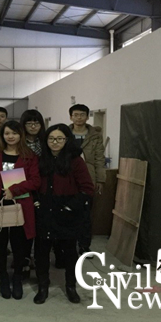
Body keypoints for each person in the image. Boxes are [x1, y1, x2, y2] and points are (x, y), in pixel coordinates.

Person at [33, 124, 94, 305]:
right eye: (51, 138)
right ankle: (43, 286)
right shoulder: (41, 159)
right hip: (44, 209)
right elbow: (33, 183)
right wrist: (36, 202)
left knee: (69, 252)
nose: (55, 142)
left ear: (67, 140)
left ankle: (71, 286)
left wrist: (69, 207)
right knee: (41, 250)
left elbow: (87, 188)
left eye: (60, 138)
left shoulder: (75, 161)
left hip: (68, 210)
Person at [0, 120, 40, 300]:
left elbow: (35, 181)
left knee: (19, 244)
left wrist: (14, 189)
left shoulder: (30, 156)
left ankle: (17, 276)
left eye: (14, 133)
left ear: (21, 135)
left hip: (21, 204)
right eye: (7, 133)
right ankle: (3, 277)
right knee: (0, 243)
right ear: (2, 135)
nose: (10, 136)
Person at [68, 104, 106, 256]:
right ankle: (66, 244)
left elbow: (99, 159)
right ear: (71, 117)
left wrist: (100, 180)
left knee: (85, 213)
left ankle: (84, 245)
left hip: (88, 178)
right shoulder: (65, 133)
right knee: (67, 211)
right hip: (67, 176)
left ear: (87, 116)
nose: (79, 118)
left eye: (82, 115)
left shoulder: (95, 135)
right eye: (76, 115)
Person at [19, 109, 47, 269]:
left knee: (41, 225)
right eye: (29, 123)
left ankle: (39, 259)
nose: (33, 126)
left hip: (44, 187)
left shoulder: (45, 142)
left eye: (36, 123)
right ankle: (24, 257)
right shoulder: (18, 143)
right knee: (24, 226)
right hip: (24, 187)